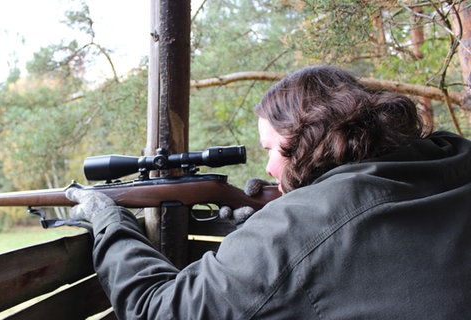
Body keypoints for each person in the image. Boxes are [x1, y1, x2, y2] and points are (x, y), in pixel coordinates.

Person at [66, 65, 471, 319]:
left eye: (270, 150)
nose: (268, 169)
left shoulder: (298, 225)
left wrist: (108, 219)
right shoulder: (448, 160)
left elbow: (157, 311)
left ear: (307, 138)